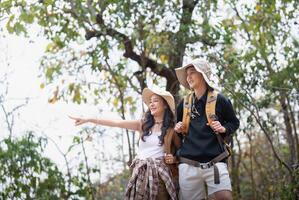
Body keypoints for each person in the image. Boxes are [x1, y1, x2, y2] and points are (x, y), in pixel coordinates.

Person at [69, 88, 180, 200]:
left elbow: (181, 153)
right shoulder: (142, 125)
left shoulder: (171, 130)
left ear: (165, 105)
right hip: (140, 175)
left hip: (160, 177)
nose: (151, 104)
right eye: (150, 102)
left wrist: (173, 159)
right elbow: (117, 123)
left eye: (155, 101)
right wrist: (88, 119)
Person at [173, 59, 240, 200]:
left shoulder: (221, 100)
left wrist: (223, 129)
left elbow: (234, 122)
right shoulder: (184, 104)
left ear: (203, 75)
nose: (188, 77)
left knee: (225, 197)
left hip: (215, 162)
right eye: (187, 74)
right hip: (188, 164)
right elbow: (177, 132)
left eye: (192, 73)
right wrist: (178, 128)